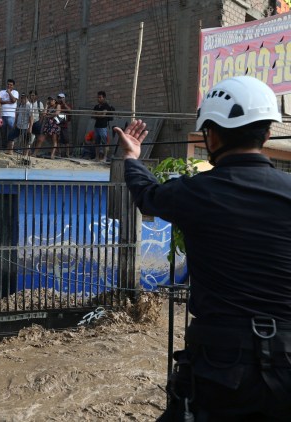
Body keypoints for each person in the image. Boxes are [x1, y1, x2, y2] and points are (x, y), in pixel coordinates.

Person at [116, 76, 291, 421]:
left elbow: (146, 196)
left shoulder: (196, 192)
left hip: (220, 369)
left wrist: (133, 158)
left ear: (211, 135)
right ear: (268, 134)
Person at [90, 90, 114, 161]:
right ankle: (97, 157)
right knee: (96, 142)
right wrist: (99, 114)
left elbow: (103, 115)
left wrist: (97, 114)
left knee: (105, 143)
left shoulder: (106, 106)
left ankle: (105, 157)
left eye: (100, 97)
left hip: (103, 127)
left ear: (104, 98)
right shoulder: (96, 106)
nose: (98, 99)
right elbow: (92, 115)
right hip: (96, 126)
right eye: (98, 97)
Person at [0, 78, 19, 153]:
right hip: (2, 115)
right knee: (3, 132)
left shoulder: (15, 92)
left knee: (11, 132)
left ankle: (11, 148)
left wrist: (9, 92)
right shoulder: (1, 92)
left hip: (11, 115)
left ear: (13, 86)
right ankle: (4, 146)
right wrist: (8, 101)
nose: (9, 86)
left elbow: (13, 101)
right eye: (8, 84)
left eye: (11, 85)